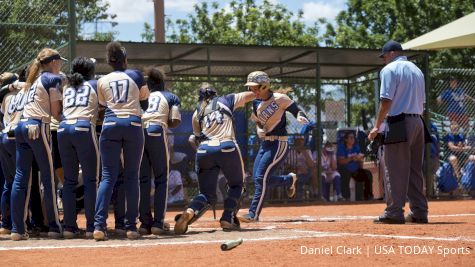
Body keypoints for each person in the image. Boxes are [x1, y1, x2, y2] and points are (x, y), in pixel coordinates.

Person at [174, 83, 254, 234]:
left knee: (206, 194)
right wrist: (262, 91)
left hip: (204, 149)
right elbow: (250, 95)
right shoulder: (227, 99)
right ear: (214, 94)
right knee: (237, 185)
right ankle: (227, 217)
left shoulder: (197, 112)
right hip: (227, 146)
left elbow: (195, 139)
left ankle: (190, 211)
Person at [93, 41, 149, 241]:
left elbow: (102, 105)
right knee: (132, 176)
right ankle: (131, 227)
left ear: (109, 61)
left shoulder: (102, 80)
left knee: (108, 176)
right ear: (125, 59)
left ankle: (99, 226)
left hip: (110, 124)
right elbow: (145, 102)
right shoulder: (135, 75)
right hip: (133, 124)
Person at [369, 40, 428, 224]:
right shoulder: (417, 70)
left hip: (398, 122)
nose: (384, 60)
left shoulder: (389, 70)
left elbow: (386, 101)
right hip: (418, 121)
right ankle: (419, 212)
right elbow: (423, 104)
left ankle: (394, 212)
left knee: (393, 169)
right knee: (414, 170)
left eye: (385, 56)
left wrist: (377, 126)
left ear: (392, 53)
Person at [237, 71, 309, 223]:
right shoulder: (255, 103)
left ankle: (253, 214)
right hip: (266, 143)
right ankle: (289, 180)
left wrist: (300, 116)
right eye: (251, 88)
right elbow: (258, 122)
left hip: (279, 143)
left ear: (265, 85)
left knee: (261, 178)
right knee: (260, 179)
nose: (252, 91)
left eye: (255, 87)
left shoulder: (279, 99)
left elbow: (296, 110)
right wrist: (259, 130)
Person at [10, 48, 66, 240]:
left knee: (20, 178)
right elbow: (56, 113)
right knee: (49, 177)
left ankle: (17, 229)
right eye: (60, 62)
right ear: (53, 62)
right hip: (37, 126)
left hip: (21, 127)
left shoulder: (32, 81)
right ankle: (53, 226)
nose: (61, 65)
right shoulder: (51, 79)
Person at [57, 57, 99, 239]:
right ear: (89, 71)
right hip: (83, 128)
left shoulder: (65, 86)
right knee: (91, 180)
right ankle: (91, 227)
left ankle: (69, 226)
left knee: (69, 181)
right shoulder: (95, 84)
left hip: (64, 128)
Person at [138, 67, 181, 235]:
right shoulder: (170, 96)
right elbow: (175, 120)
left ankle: (144, 224)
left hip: (140, 132)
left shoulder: (142, 96)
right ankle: (158, 223)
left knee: (143, 180)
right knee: (162, 178)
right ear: (162, 83)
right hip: (157, 130)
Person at [337, 131, 373, 201]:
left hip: (355, 169)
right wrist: (352, 158)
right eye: (351, 138)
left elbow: (360, 159)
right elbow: (341, 161)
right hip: (345, 169)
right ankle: (346, 197)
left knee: (367, 174)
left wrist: (360, 160)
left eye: (353, 138)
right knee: (346, 174)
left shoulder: (356, 147)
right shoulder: (341, 147)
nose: (353, 139)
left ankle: (366, 196)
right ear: (346, 139)